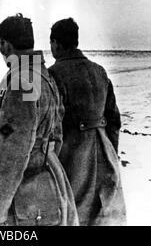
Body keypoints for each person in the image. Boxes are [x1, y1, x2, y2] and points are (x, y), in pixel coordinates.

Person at [0, 13, 78, 226]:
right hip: (46, 183)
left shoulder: (22, 82)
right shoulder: (43, 76)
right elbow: (56, 136)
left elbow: (10, 152)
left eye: (1, 43)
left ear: (5, 46)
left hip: (21, 195)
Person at [48, 18, 126, 226]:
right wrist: (111, 154)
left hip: (73, 157)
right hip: (104, 152)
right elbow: (114, 121)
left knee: (73, 214)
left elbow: (52, 124)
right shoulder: (99, 71)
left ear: (55, 43)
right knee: (104, 215)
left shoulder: (54, 74)